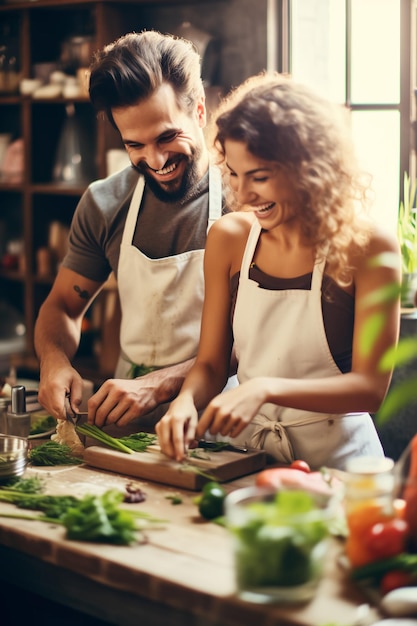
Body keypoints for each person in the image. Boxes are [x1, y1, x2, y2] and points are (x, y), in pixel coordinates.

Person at [155, 72, 401, 470]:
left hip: (337, 465)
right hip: (243, 456)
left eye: (260, 177)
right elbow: (212, 365)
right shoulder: (228, 239)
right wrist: (184, 402)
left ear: (309, 168)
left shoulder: (369, 249)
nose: (244, 195)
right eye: (234, 174)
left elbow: (369, 389)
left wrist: (266, 389)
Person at [34, 30, 234, 433]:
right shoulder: (105, 203)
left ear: (198, 112)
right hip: (129, 424)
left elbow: (257, 342)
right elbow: (63, 308)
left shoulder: (244, 200)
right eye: (135, 145)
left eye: (166, 137)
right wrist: (54, 362)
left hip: (223, 420)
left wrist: (159, 385)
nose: (155, 160)